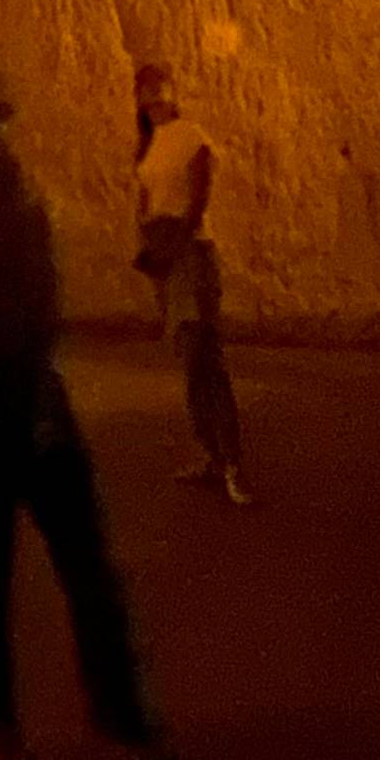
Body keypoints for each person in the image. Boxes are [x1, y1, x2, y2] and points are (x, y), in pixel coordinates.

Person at [0, 43, 191, 760]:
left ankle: (0, 743)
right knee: (85, 557)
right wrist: (34, 391)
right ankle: (133, 737)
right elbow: (19, 287)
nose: (6, 78)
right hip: (4, 377)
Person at [133, 63, 250, 504]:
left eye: (159, 85)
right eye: (145, 88)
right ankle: (210, 455)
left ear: (173, 91)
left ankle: (232, 462)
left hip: (190, 251)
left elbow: (199, 199)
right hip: (164, 252)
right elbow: (147, 200)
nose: (152, 94)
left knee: (207, 359)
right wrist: (149, 249)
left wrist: (174, 247)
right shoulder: (149, 143)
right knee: (189, 361)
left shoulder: (191, 135)